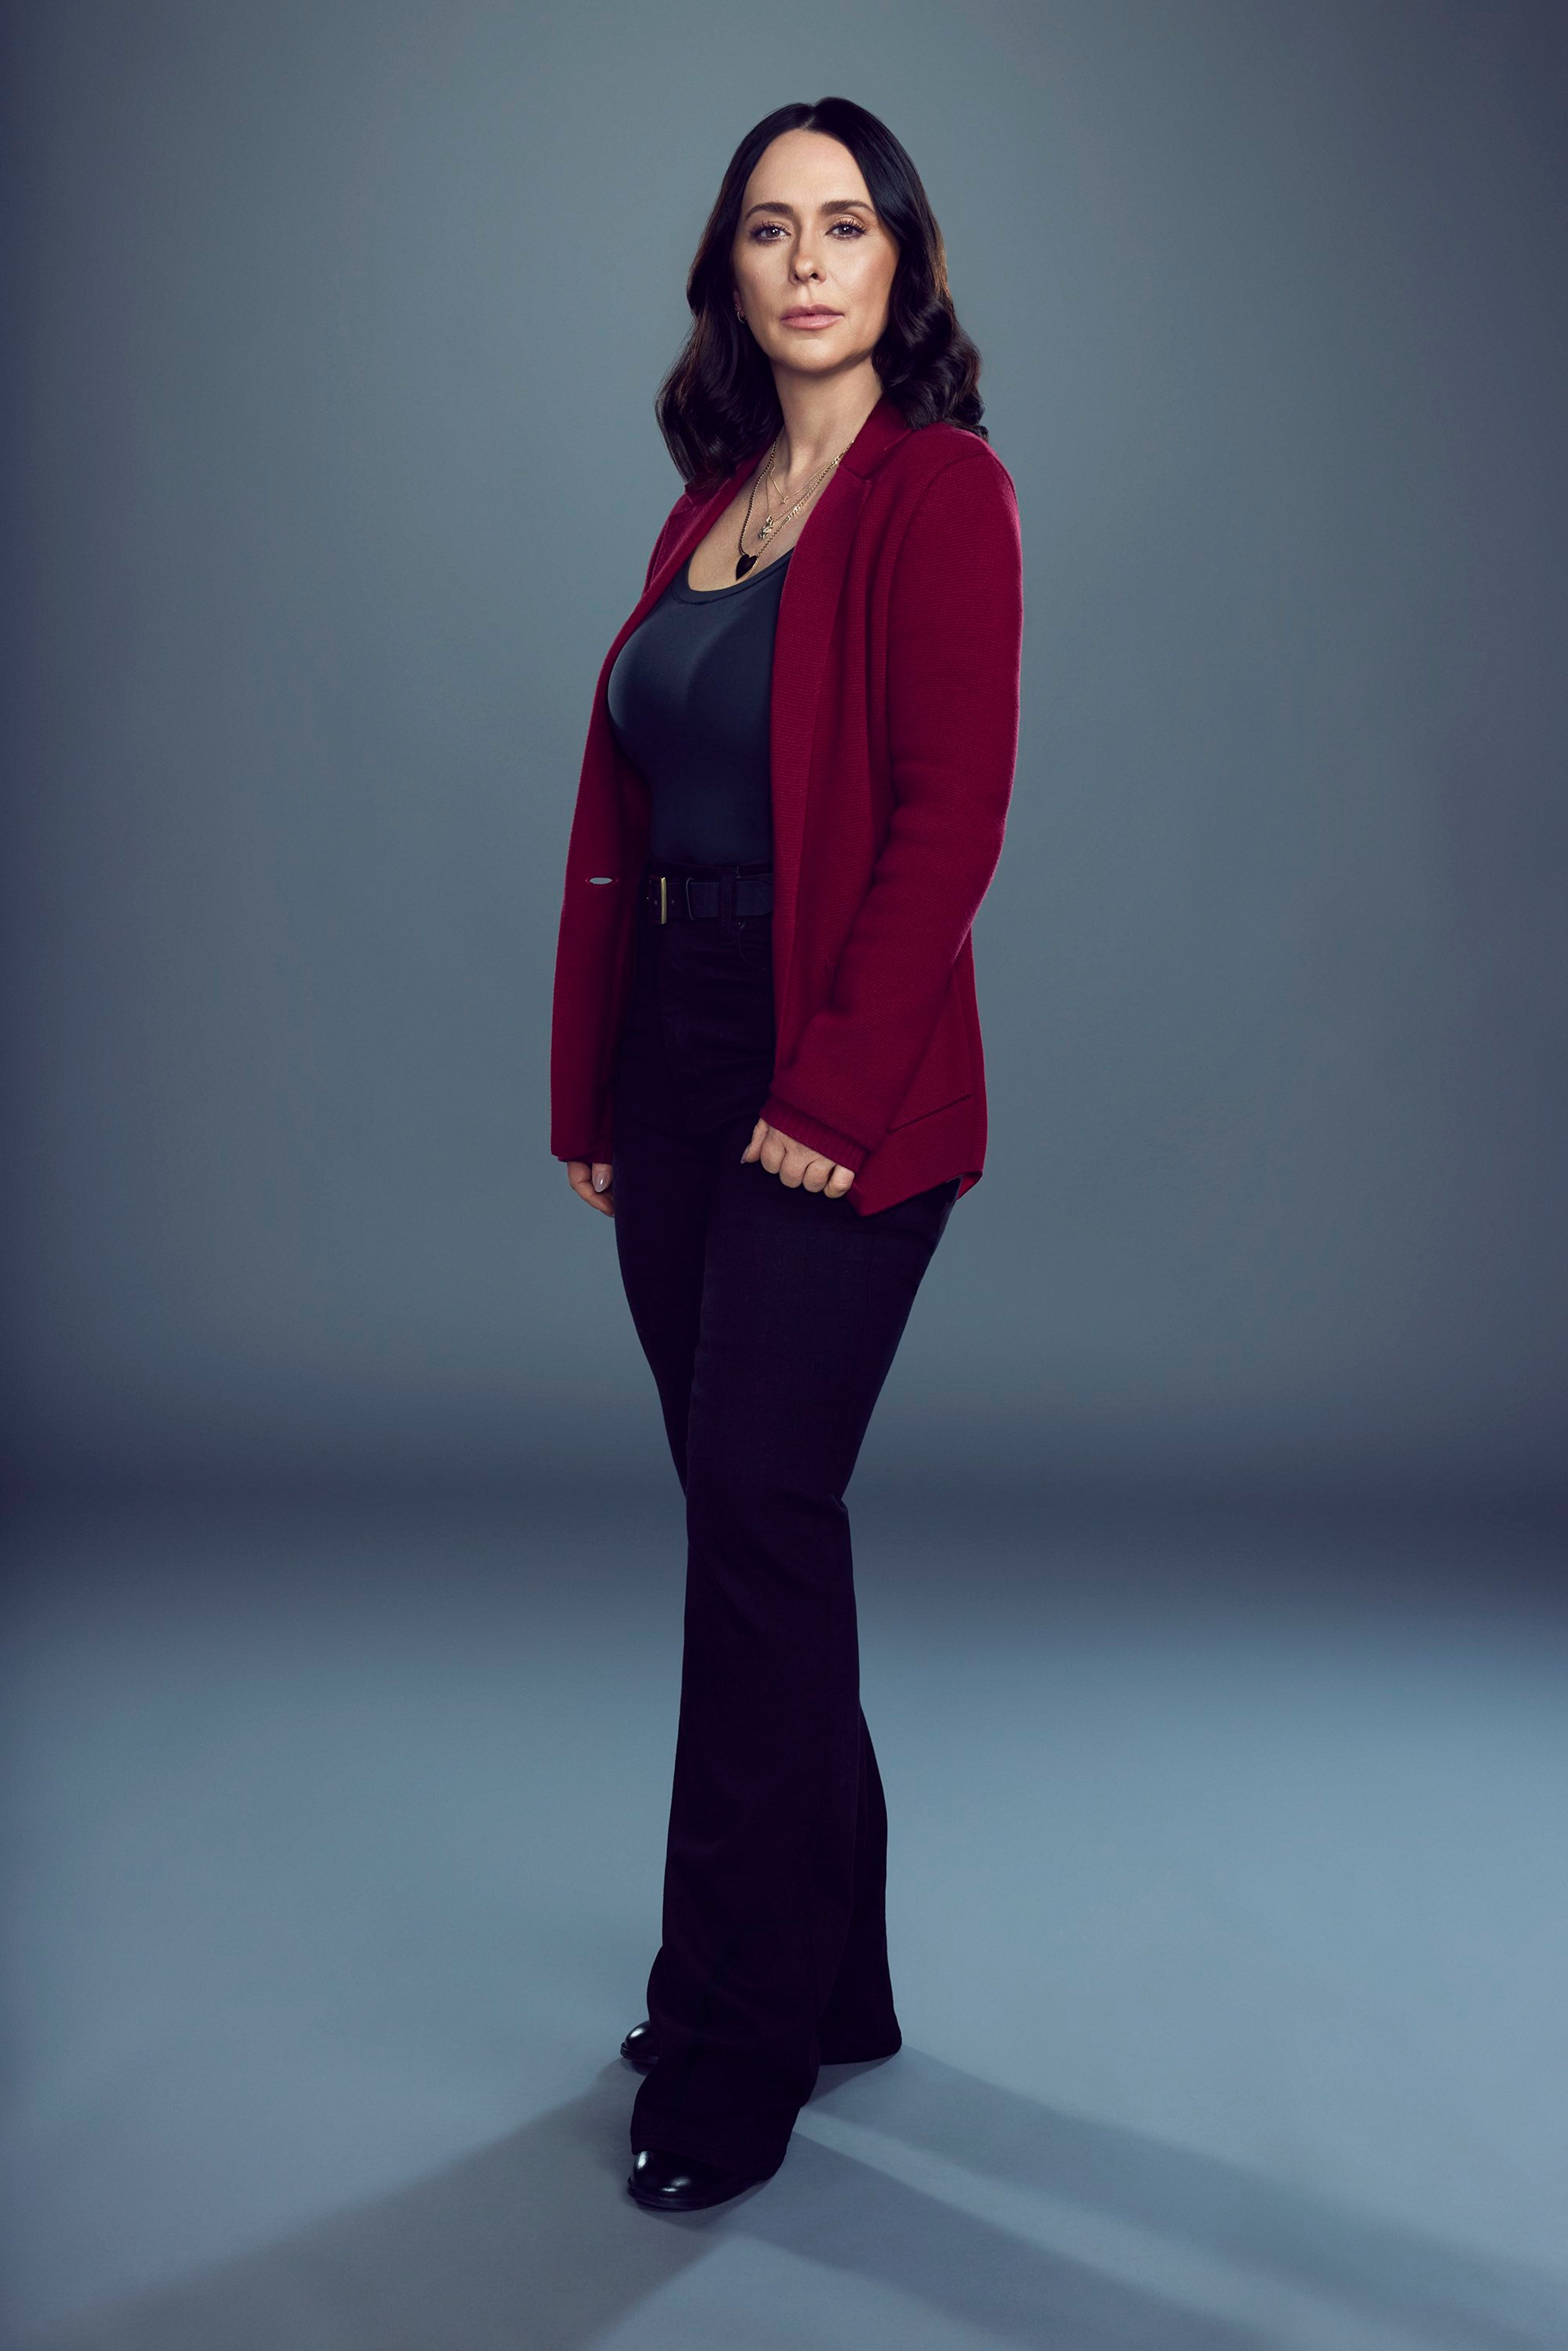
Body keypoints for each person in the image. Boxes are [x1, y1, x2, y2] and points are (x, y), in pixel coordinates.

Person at [549, 95, 1024, 2213]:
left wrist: (826, 1100)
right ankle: (835, 1980)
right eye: (770, 227)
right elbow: (633, 822)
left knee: (755, 1514)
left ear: (903, 269)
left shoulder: (944, 498)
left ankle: (732, 2043)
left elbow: (947, 822)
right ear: (729, 275)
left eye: (850, 224)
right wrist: (593, 1093)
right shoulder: (710, 506)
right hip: (670, 1064)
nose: (811, 257)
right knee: (760, 1531)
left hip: (843, 1076)